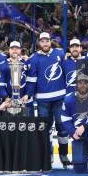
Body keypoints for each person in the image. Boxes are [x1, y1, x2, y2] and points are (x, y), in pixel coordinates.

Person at [26, 32, 70, 166]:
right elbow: (32, 79)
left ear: (50, 41)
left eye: (47, 41)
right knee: (45, 129)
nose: (45, 43)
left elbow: (67, 73)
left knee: (62, 127)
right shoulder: (34, 59)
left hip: (60, 97)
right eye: (42, 41)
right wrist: (28, 94)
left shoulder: (60, 54)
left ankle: (63, 155)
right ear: (39, 43)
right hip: (42, 100)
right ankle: (47, 154)